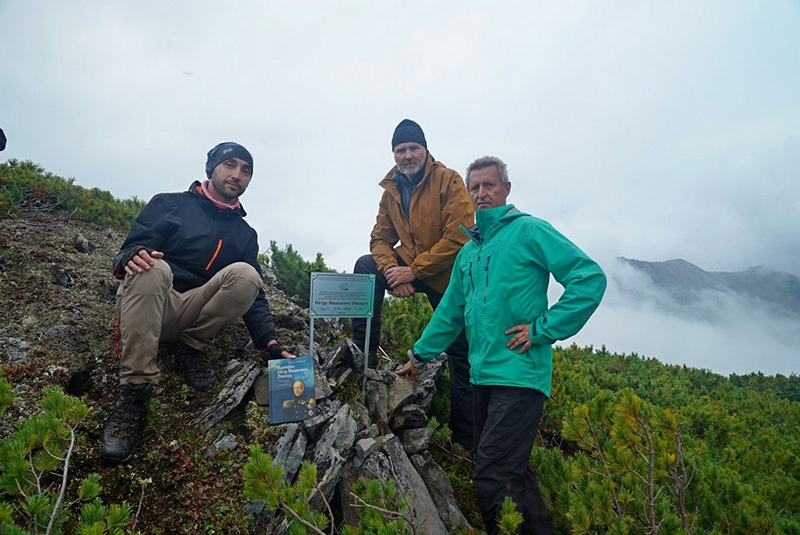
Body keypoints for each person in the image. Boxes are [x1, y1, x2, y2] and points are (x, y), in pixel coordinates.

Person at [397, 156, 607, 535]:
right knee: (512, 473)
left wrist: (543, 329)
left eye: (489, 185)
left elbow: (589, 278)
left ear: (506, 189)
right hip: (482, 377)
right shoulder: (469, 252)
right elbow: (450, 313)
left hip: (520, 374)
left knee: (493, 477)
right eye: (474, 187)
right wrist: (418, 356)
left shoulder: (529, 231)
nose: (481, 193)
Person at [100, 142, 294, 464]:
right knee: (153, 267)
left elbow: (255, 296)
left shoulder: (245, 234)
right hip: (154, 302)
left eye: (246, 170)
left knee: (248, 275)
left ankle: (190, 347)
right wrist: (131, 257)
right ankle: (135, 390)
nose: (237, 174)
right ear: (211, 168)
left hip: (194, 308)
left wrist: (270, 342)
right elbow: (129, 251)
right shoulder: (168, 204)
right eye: (230, 164)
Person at [353, 119, 476, 449]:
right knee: (366, 267)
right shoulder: (391, 191)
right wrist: (392, 270)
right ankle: (364, 358)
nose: (407, 155)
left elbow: (460, 237)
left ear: (425, 150)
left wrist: (414, 272)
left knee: (462, 354)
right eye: (400, 150)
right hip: (410, 267)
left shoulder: (448, 181)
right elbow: (379, 239)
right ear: (394, 154)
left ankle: (465, 440)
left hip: (447, 277)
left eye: (413, 148)